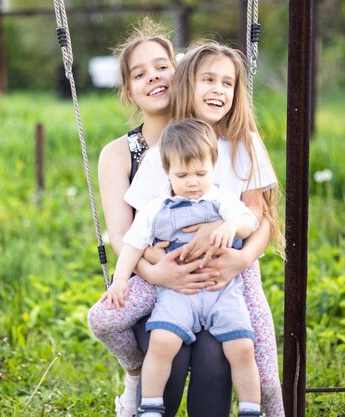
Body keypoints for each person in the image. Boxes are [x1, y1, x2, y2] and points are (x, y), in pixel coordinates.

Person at [125, 40, 285, 416]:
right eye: (208, 79)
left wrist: (241, 259)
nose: (218, 90)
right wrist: (152, 260)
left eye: (227, 83)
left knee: (263, 370)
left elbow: (260, 217)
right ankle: (134, 384)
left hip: (234, 275)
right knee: (110, 319)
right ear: (186, 84)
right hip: (173, 273)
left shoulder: (246, 143)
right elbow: (141, 223)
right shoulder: (168, 148)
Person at [87, 18, 233, 417]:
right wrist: (159, 273)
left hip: (210, 283)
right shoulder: (118, 153)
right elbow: (120, 234)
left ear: (179, 72)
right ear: (129, 90)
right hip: (151, 282)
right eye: (140, 73)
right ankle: (135, 382)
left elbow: (241, 207)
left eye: (161, 66)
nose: (153, 77)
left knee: (212, 360)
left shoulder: (207, 139)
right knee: (167, 355)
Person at [104, 118, 263, 417]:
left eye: (201, 173)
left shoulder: (221, 198)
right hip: (178, 292)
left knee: (242, 346)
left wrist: (231, 226)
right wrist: (121, 279)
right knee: (163, 342)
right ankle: (151, 406)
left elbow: (249, 222)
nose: (192, 182)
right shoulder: (156, 208)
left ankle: (250, 409)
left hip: (222, 289)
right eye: (182, 174)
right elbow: (133, 243)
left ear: (213, 167)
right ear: (167, 172)